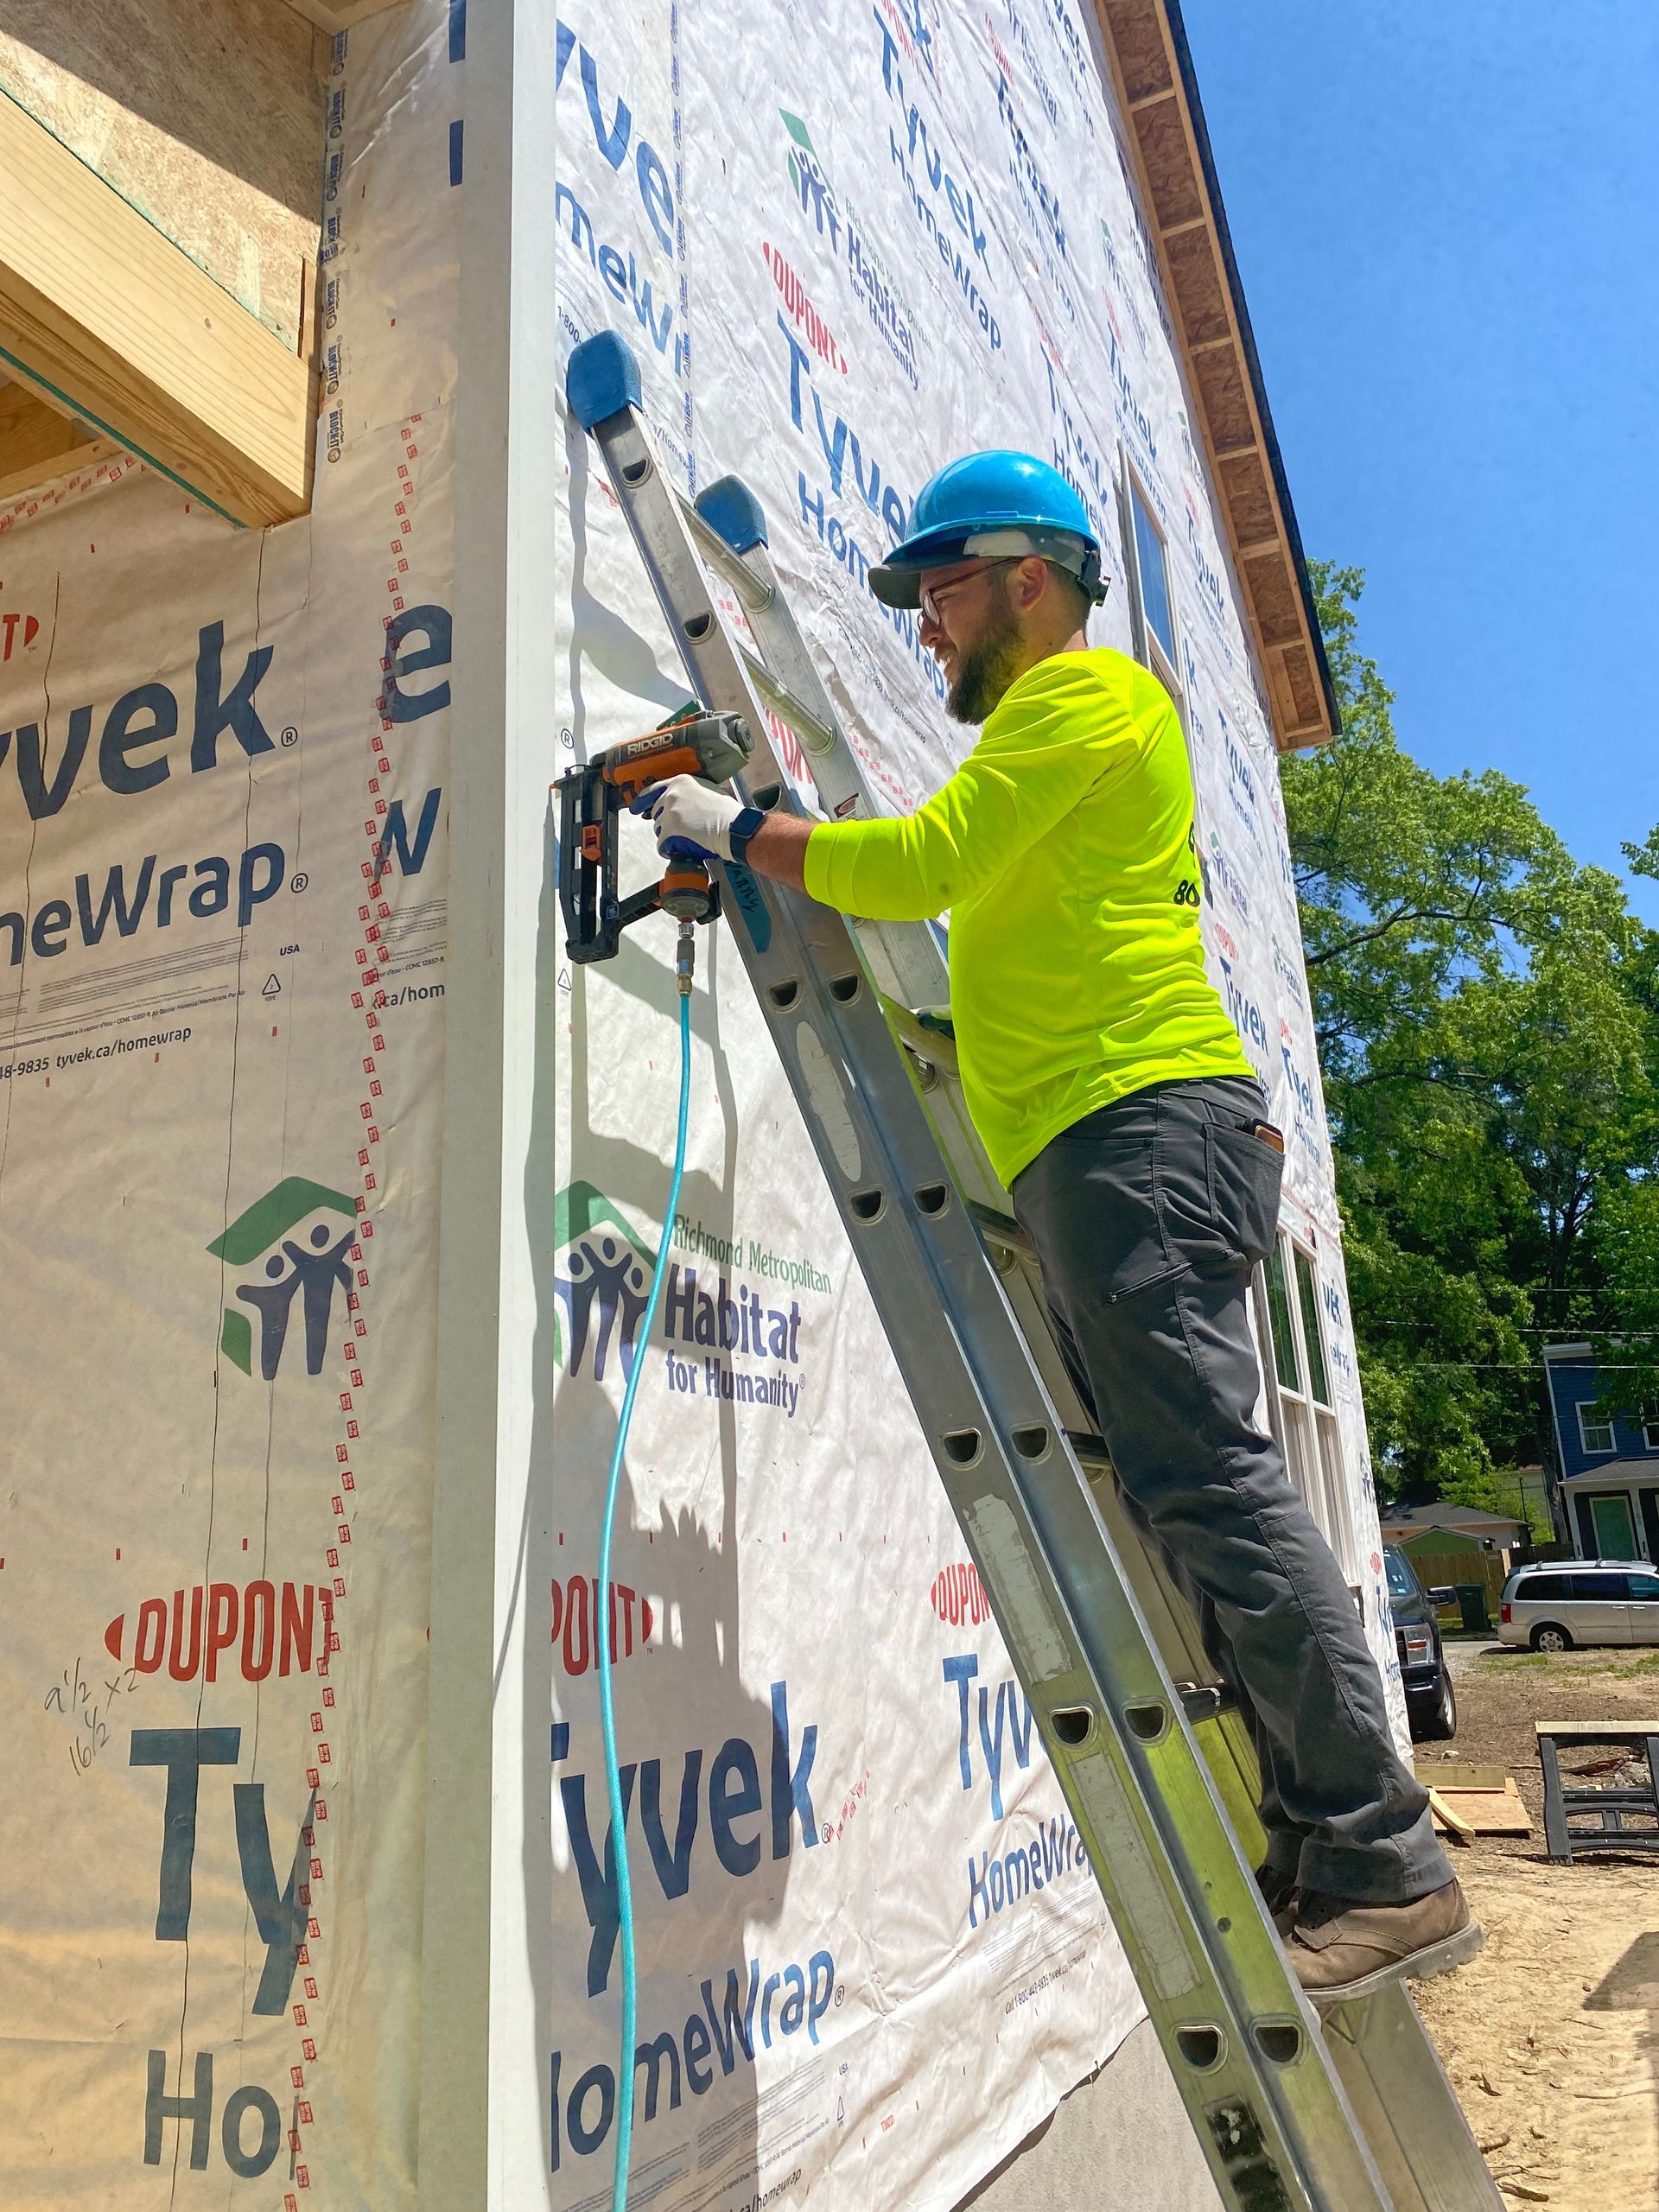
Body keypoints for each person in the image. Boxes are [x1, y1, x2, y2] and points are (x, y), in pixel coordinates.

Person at [636, 450, 1471, 1996]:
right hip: (1114, 1138)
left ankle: (1386, 1862)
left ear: (1032, 577)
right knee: (1184, 1490)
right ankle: (1324, 1841)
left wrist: (731, 826)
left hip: (1138, 1130)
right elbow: (987, 913)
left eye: (943, 589)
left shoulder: (1089, 695)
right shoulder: (1055, 741)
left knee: (1210, 1482)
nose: (929, 625)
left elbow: (920, 867)